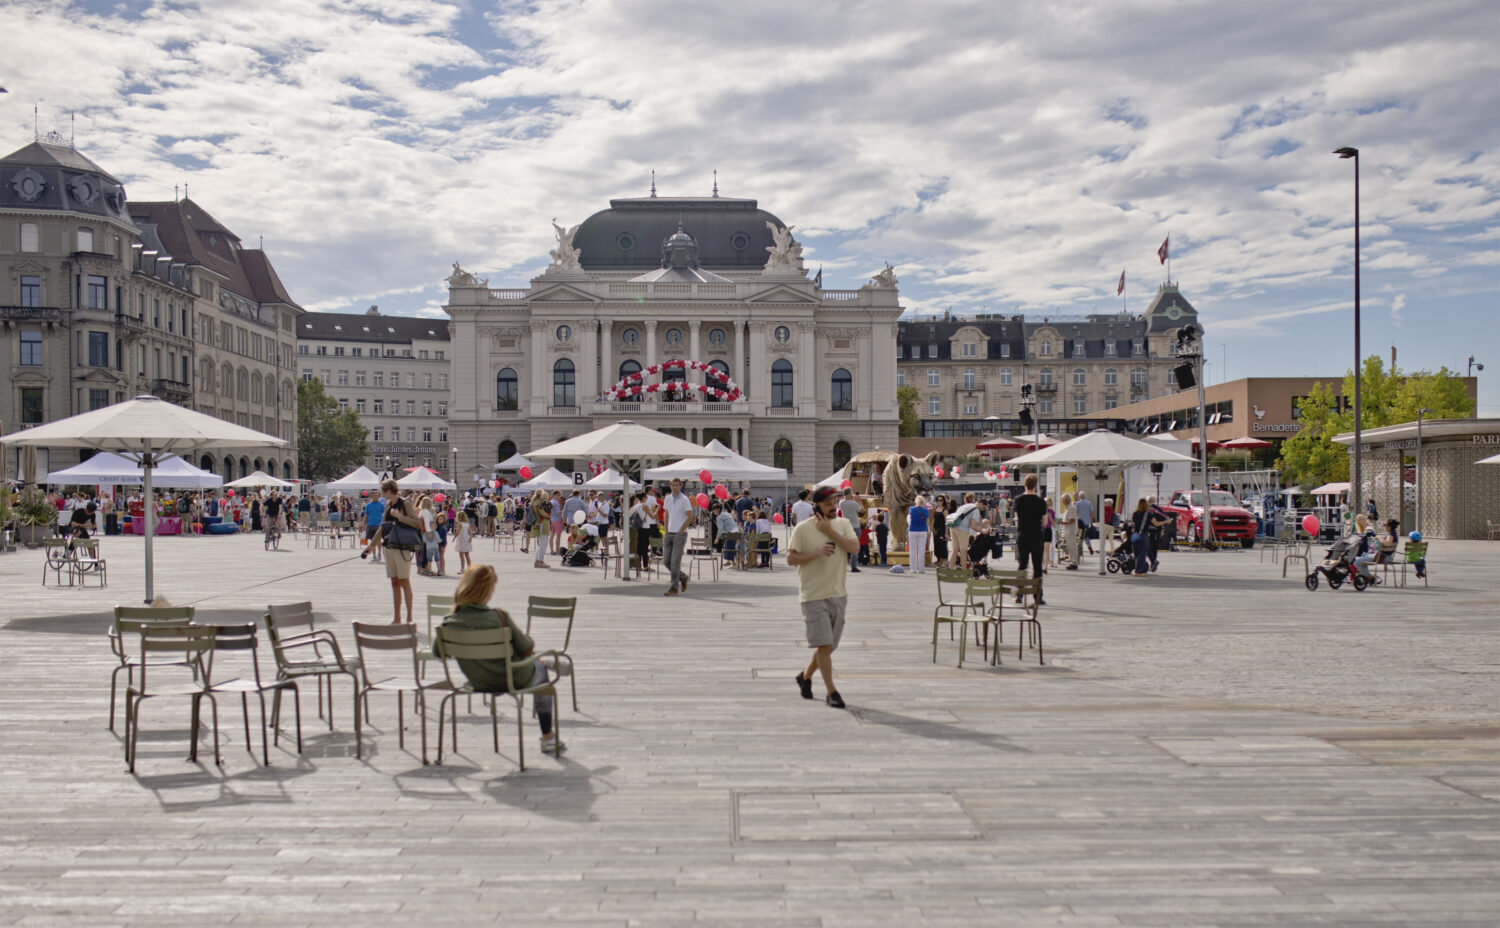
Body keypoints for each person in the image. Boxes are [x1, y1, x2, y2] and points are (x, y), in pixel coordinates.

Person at [434, 565, 563, 754]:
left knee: (532, 662)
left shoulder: (449, 620)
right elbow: (527, 648)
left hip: (477, 680)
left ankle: (543, 663)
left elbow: (438, 652)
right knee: (540, 672)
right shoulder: (499, 617)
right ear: (488, 590)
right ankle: (548, 737)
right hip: (511, 678)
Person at [787, 486, 860, 709]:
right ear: (816, 504)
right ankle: (832, 692)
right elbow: (791, 559)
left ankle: (805, 676)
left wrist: (830, 532)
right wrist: (816, 554)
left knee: (827, 648)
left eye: (835, 502)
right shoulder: (803, 529)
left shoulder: (843, 524)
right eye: (828, 503)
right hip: (812, 594)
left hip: (838, 593)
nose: (833, 506)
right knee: (824, 643)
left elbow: (855, 548)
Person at [378, 480, 421, 623]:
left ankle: (409, 617)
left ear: (389, 491)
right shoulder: (388, 505)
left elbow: (417, 523)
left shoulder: (405, 504)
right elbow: (383, 526)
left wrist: (399, 517)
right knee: (394, 582)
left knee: (404, 581)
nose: (382, 495)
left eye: (383, 492)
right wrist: (371, 545)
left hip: (402, 547)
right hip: (389, 547)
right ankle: (397, 617)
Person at [1012, 474, 1046, 603]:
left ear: (1025, 484)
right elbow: (1044, 522)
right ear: (1036, 485)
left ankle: (1018, 595)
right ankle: (1038, 597)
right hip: (1036, 536)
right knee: (1037, 567)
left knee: (1022, 566)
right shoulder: (1041, 501)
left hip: (1022, 535)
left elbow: (1017, 517)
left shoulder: (1018, 500)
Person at [661, 477, 695, 596]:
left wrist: (681, 530)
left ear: (681, 486)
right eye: (673, 485)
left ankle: (674, 587)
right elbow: (666, 513)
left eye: (677, 485)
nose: (675, 487)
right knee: (666, 561)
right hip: (669, 532)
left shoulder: (685, 499)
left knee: (675, 562)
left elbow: (690, 516)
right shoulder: (668, 498)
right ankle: (682, 577)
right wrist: (665, 527)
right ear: (670, 486)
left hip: (679, 534)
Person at [838, 489, 865, 573]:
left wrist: (852, 499)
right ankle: (853, 566)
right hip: (855, 526)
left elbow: (847, 502)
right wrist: (859, 501)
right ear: (849, 494)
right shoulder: (854, 503)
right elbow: (862, 510)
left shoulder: (841, 503)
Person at [906, 494, 930, 574]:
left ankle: (913, 568)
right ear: (923, 502)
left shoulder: (911, 509)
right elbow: (926, 521)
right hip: (922, 530)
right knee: (921, 550)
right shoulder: (926, 511)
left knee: (913, 550)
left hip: (912, 530)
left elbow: (909, 518)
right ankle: (921, 568)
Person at [1351, 513, 1378, 581]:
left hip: (1369, 550)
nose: (1360, 521)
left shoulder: (1368, 528)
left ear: (1364, 519)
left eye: (1361, 519)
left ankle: (1365, 576)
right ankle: (1362, 575)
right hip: (1365, 548)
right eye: (1358, 520)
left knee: (1354, 558)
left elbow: (1372, 537)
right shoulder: (1359, 528)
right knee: (1352, 556)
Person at [360, 492, 385, 562]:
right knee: (372, 541)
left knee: (378, 540)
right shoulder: (368, 505)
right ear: (372, 496)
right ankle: (374, 556)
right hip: (370, 524)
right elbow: (366, 515)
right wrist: (363, 524)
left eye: (377, 496)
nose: (375, 497)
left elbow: (384, 514)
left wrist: (383, 523)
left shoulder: (381, 505)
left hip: (378, 525)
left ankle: (379, 553)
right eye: (374, 496)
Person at [529, 490, 551, 569]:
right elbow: (541, 512)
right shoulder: (539, 503)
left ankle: (537, 560)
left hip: (536, 524)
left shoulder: (533, 502)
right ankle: (540, 561)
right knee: (543, 543)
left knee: (540, 544)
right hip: (543, 523)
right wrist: (548, 516)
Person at [1130, 499, 1152, 576]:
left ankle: (1141, 568)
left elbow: (1133, 524)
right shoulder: (1148, 514)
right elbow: (1155, 523)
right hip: (1144, 535)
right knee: (1143, 553)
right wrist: (1166, 522)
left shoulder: (1135, 514)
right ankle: (1139, 571)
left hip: (1136, 535)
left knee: (1137, 553)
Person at [1058, 493, 1079, 570]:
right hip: (1068, 530)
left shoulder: (1071, 507)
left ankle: (1074, 562)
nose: (1062, 502)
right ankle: (1071, 559)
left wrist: (1063, 522)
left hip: (1071, 530)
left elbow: (1072, 520)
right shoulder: (1068, 507)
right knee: (1070, 546)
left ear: (1066, 500)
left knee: (1072, 546)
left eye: (1063, 500)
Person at [931, 496, 949, 568]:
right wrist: (932, 526)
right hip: (936, 530)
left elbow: (947, 521)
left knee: (942, 545)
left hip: (942, 530)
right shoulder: (936, 508)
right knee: (936, 545)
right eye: (937, 500)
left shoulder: (945, 510)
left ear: (943, 501)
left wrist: (946, 532)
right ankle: (938, 560)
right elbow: (934, 518)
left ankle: (944, 561)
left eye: (941, 500)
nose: (939, 502)